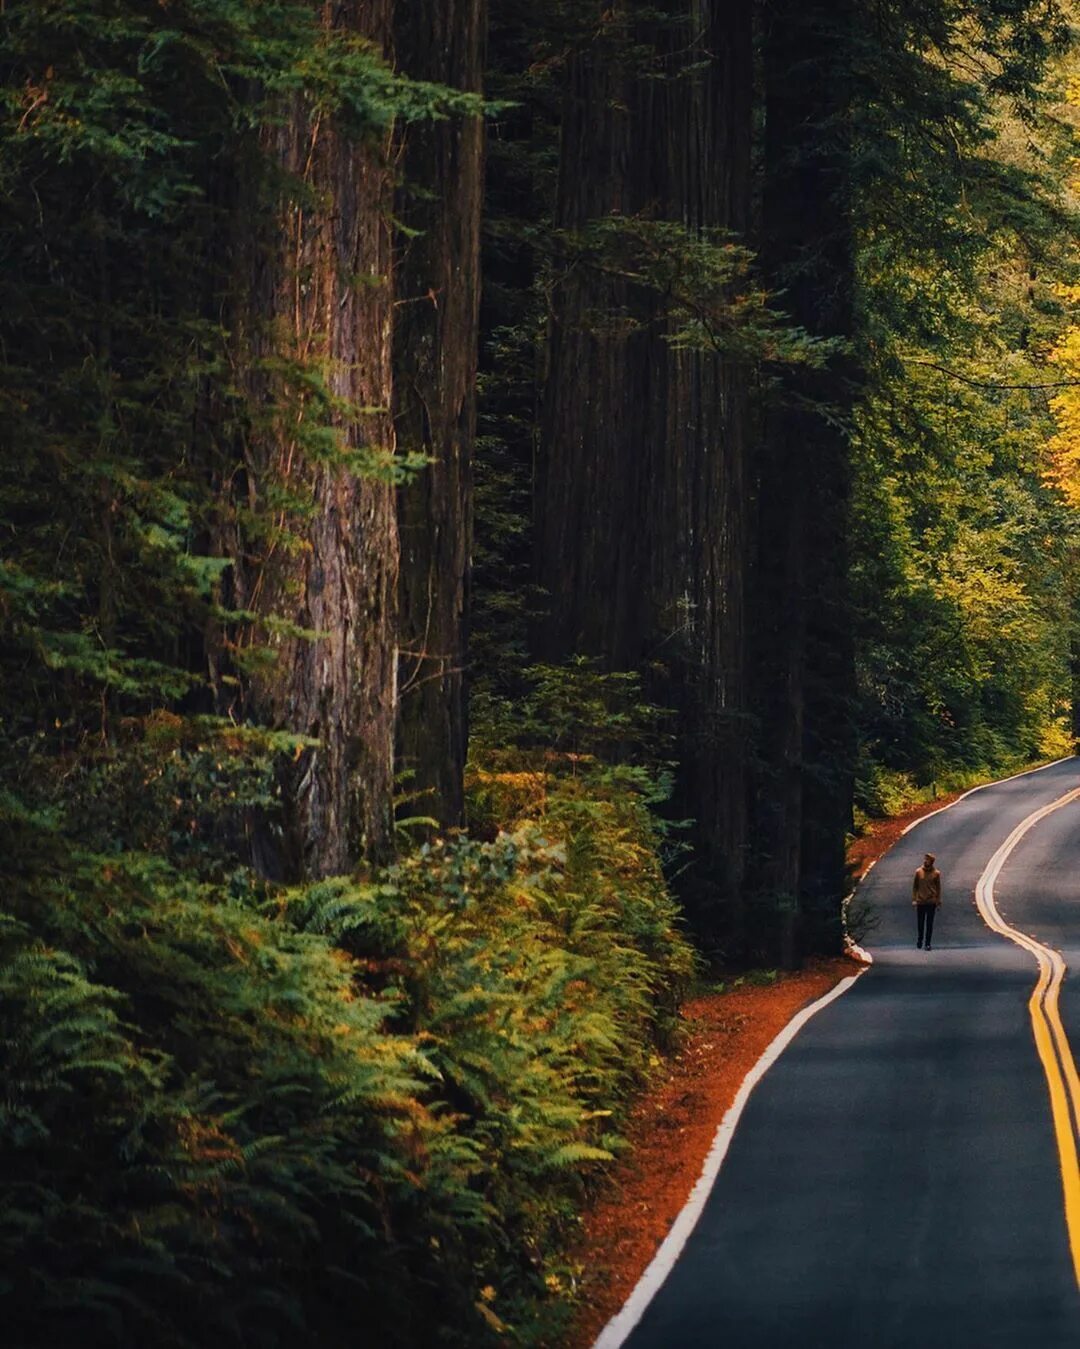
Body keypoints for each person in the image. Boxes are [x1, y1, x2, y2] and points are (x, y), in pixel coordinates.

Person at [912, 852, 942, 950]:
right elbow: (915, 886)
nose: (926, 861)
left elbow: (938, 888)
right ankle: (920, 939)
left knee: (929, 923)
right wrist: (914, 899)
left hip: (931, 901)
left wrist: (938, 900)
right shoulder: (918, 872)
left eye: (928, 860)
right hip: (921, 901)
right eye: (925, 859)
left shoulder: (936, 873)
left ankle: (927, 943)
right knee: (920, 923)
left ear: (932, 862)